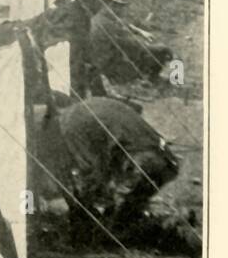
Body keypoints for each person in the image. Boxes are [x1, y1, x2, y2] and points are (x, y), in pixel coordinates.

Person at [58, 96, 180, 238]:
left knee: (116, 216)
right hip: (165, 159)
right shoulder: (94, 104)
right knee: (129, 205)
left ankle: (110, 230)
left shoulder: (69, 122)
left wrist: (85, 202)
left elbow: (89, 168)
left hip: (140, 161)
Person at [85, 0, 174, 93]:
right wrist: (155, 47)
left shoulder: (100, 18)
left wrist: (140, 31)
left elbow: (123, 24)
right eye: (121, 6)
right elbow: (132, 45)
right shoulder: (107, 24)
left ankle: (144, 79)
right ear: (112, 5)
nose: (123, 10)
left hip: (104, 63)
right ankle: (147, 81)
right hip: (111, 68)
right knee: (160, 52)